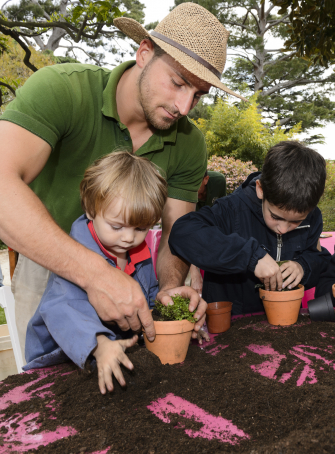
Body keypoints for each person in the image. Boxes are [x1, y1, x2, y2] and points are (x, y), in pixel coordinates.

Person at [0, 2, 246, 356]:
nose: (184, 107)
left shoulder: (191, 144)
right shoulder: (63, 90)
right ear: (144, 53)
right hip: (48, 261)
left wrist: (168, 287)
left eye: (198, 94)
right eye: (178, 82)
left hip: (138, 267)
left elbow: (177, 233)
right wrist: (96, 275)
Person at [24, 151, 168, 394]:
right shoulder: (74, 255)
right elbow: (63, 308)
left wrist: (165, 310)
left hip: (118, 350)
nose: (128, 237)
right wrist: (100, 345)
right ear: (91, 210)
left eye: (141, 228)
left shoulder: (140, 253)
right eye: (116, 226)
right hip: (59, 360)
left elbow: (148, 297)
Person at [169, 141, 331, 315]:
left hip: (285, 319)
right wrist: (250, 257)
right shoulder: (231, 209)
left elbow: (319, 259)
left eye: (296, 222)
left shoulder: (312, 217)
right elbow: (182, 232)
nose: (283, 229)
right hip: (231, 322)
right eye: (276, 217)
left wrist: (303, 266)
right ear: (261, 189)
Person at [189, 170, 227, 294]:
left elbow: (224, 216)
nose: (190, 185)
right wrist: (195, 275)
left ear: (206, 180)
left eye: (196, 182)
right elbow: (188, 234)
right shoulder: (185, 191)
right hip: (193, 234)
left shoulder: (218, 181)